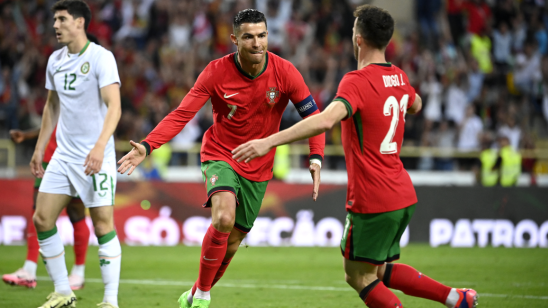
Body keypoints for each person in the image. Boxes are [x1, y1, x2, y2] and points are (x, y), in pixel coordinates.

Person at [233, 5, 478, 308]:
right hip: (402, 193)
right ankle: (455, 298)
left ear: (358, 39)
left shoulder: (357, 81)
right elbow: (416, 103)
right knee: (377, 270)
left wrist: (268, 141)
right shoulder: (399, 76)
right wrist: (402, 98)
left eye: (352, 31)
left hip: (373, 198)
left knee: (358, 276)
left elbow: (324, 120)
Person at [117, 9, 325, 308]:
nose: (257, 43)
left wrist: (316, 158)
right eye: (249, 37)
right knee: (224, 217)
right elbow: (182, 115)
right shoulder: (216, 72)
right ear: (234, 40)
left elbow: (314, 118)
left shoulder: (285, 72)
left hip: (259, 167)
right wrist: (148, 146)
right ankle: (203, 295)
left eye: (262, 36)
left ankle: (195, 293)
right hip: (221, 154)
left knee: (232, 244)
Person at [30, 1, 122, 307]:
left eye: (62, 19)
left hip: (96, 158)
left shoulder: (100, 57)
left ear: (80, 22)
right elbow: (51, 106)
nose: (55, 25)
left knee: (102, 225)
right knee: (42, 218)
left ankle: (110, 300)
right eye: (55, 19)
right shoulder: (55, 60)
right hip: (64, 156)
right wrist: (40, 147)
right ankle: (63, 291)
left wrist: (99, 147)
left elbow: (115, 107)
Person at [2, 127, 89, 290]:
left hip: (77, 156)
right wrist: (27, 135)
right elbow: (53, 119)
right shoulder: (58, 101)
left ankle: (78, 272)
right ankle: (29, 269)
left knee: (76, 213)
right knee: (38, 212)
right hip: (49, 158)